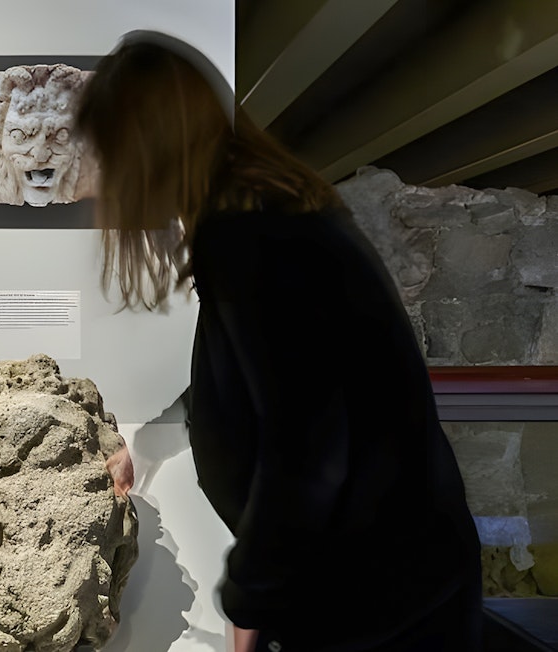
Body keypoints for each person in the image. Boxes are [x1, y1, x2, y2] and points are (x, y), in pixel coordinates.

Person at [75, 31, 482, 652]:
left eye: (107, 153)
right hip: (384, 580)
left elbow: (307, 445)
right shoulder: (264, 216)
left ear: (145, 145)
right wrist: (153, 441)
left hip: (372, 601)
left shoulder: (250, 236)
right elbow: (258, 378)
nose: (102, 178)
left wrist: (252, 599)